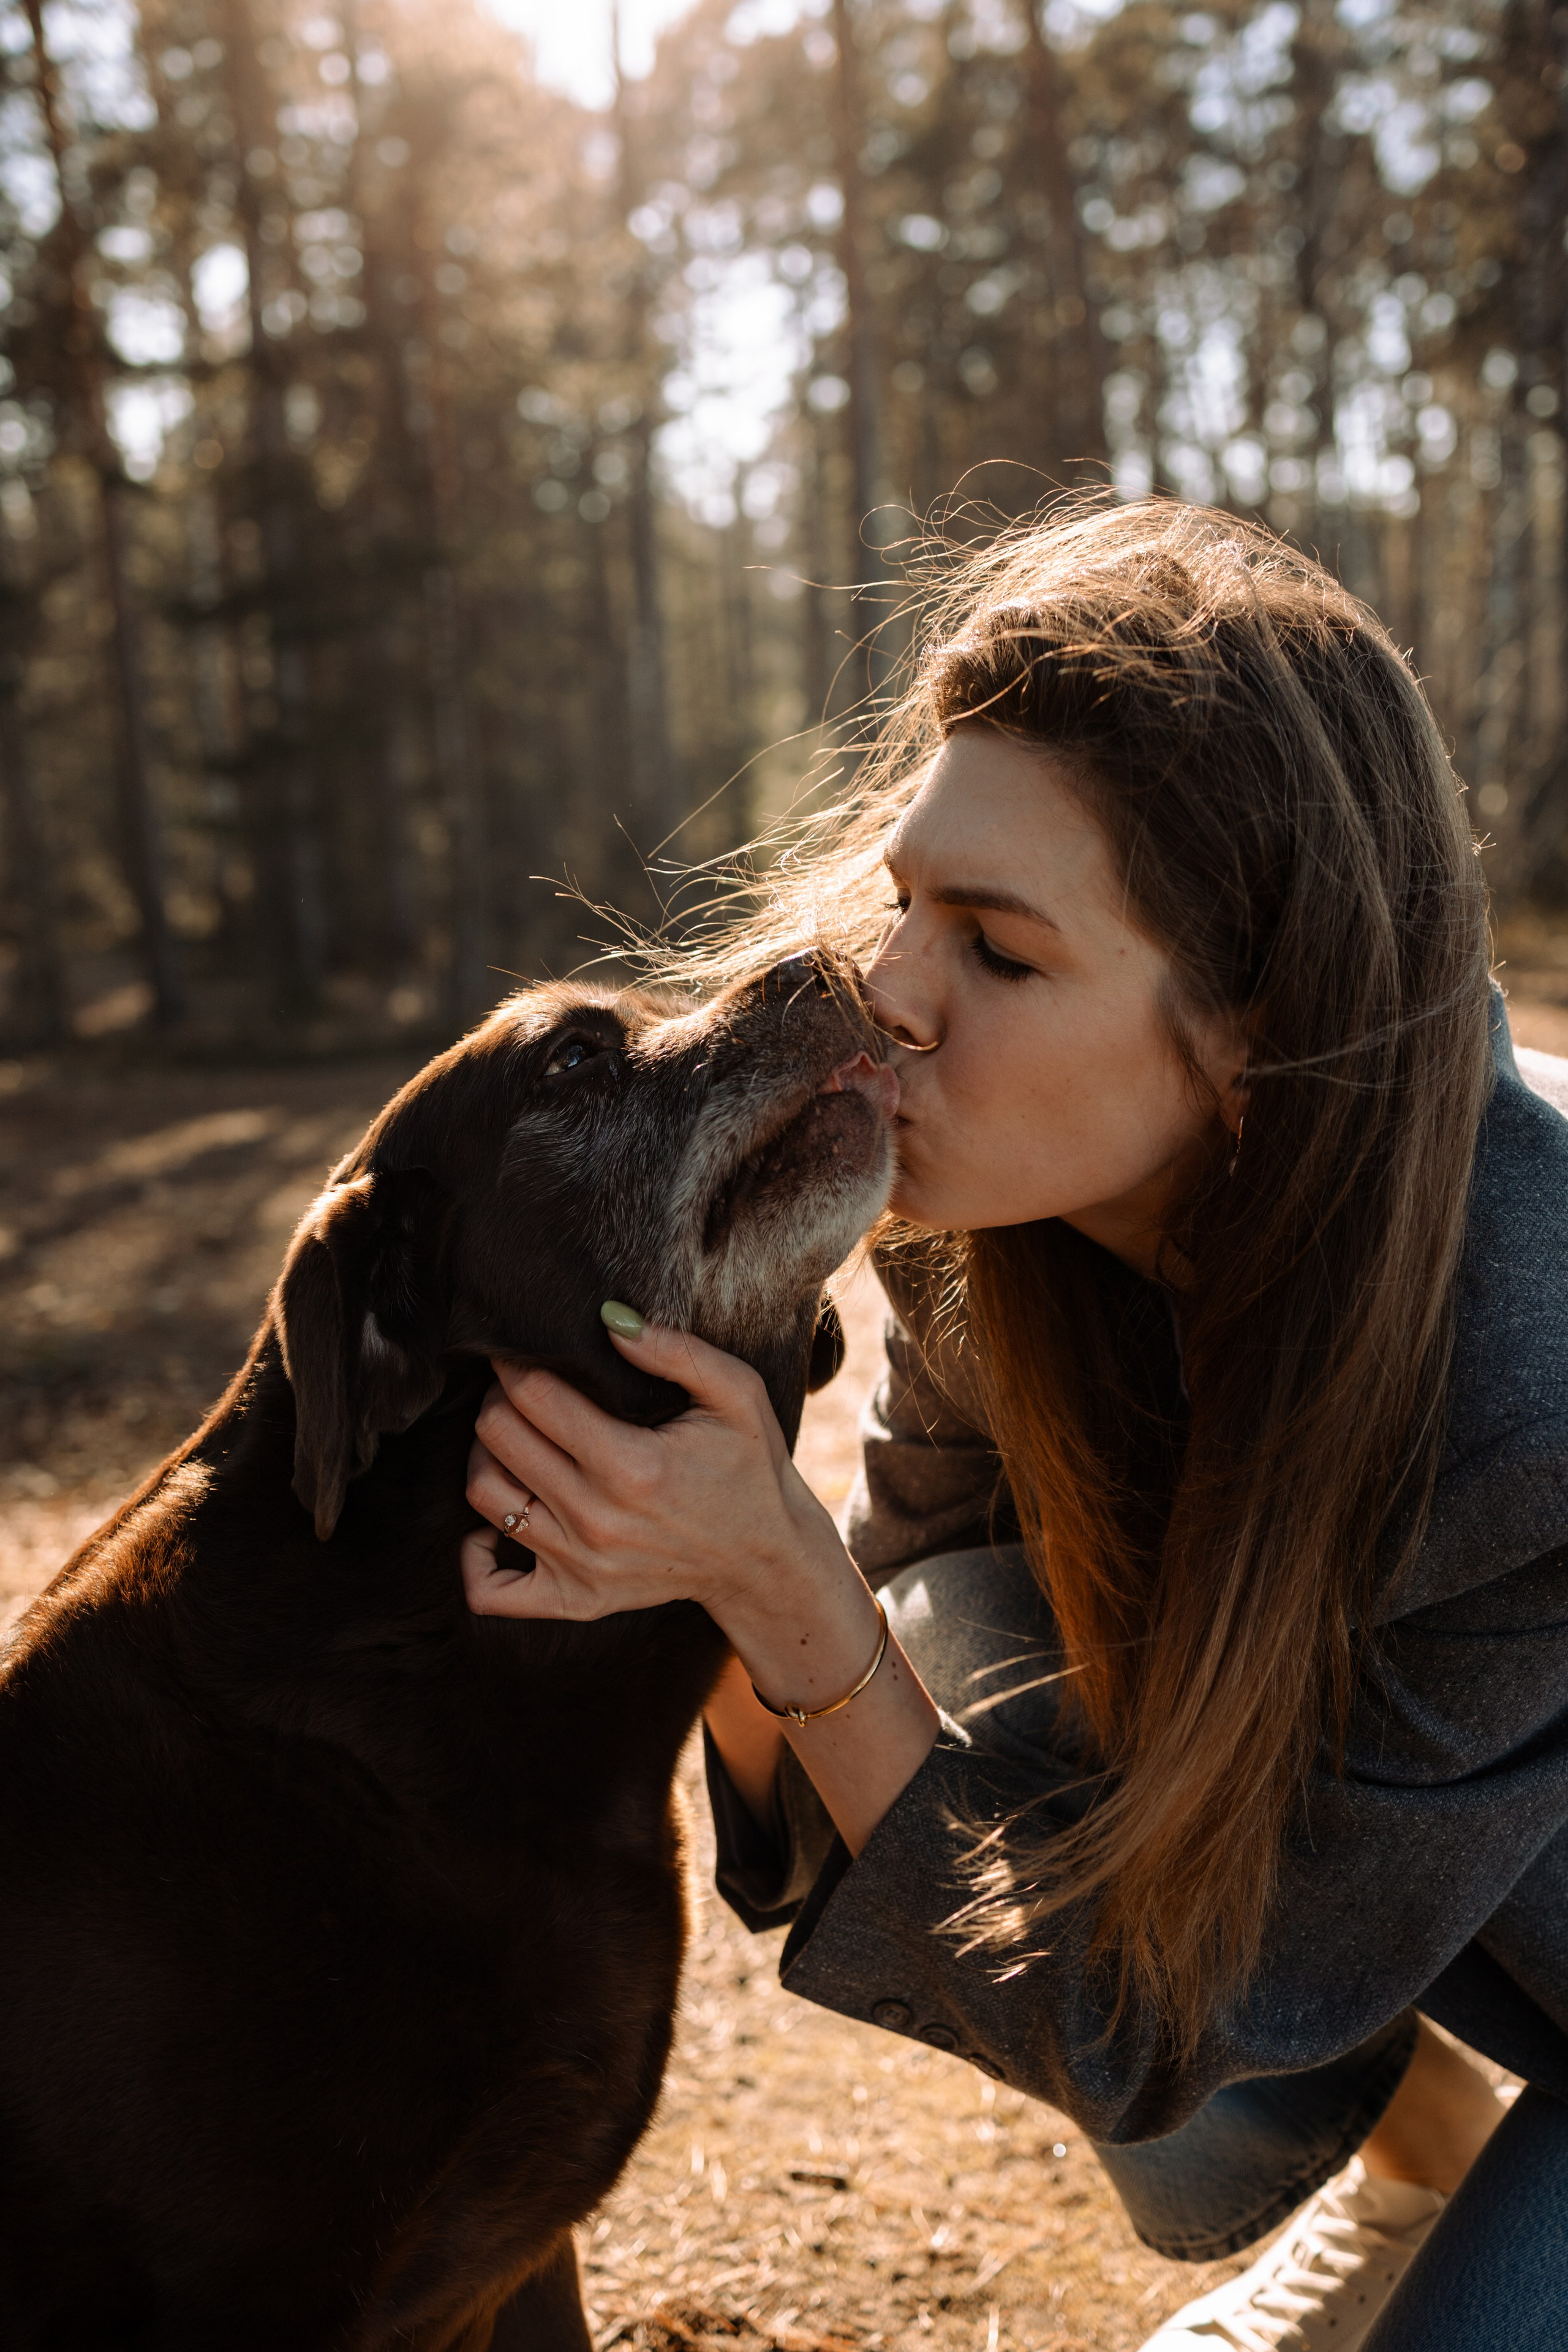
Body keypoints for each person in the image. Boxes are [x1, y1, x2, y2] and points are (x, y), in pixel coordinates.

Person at [461, 500, 1568, 2351]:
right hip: (1439, 1877)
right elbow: (875, 1672)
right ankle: (1423, 2145)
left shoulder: (1527, 1405)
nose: (891, 989)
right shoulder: (1005, 1225)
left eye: (1001, 947)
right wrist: (706, 1566)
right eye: (911, 901)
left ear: (1256, 1036)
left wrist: (774, 1578)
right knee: (957, 1625)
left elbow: (1126, 2030)